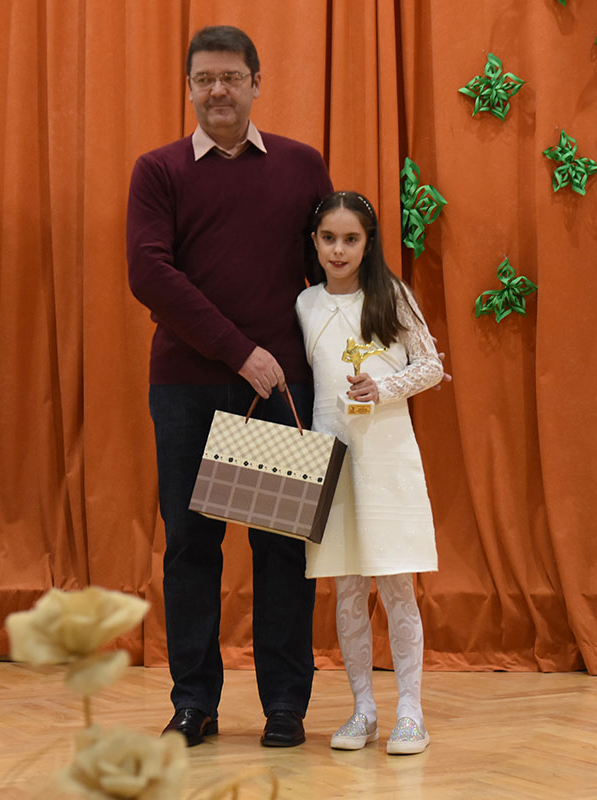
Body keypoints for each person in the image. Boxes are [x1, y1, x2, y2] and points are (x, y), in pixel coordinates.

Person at [127, 25, 332, 748]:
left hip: (278, 393)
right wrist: (241, 352)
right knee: (191, 548)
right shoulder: (158, 171)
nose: (218, 90)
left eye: (232, 77)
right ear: (188, 88)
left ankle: (286, 705)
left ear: (256, 83)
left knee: (281, 550)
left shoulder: (302, 166)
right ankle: (194, 704)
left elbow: (333, 268)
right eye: (204, 79)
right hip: (188, 388)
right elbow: (150, 275)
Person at [295, 190, 443, 755]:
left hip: (386, 454)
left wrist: (383, 387)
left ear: (368, 243)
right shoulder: (305, 304)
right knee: (347, 587)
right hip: (332, 456)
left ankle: (411, 711)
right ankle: (363, 708)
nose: (339, 250)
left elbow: (430, 365)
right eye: (329, 238)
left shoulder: (390, 295)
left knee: (397, 583)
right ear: (314, 242)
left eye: (350, 239)